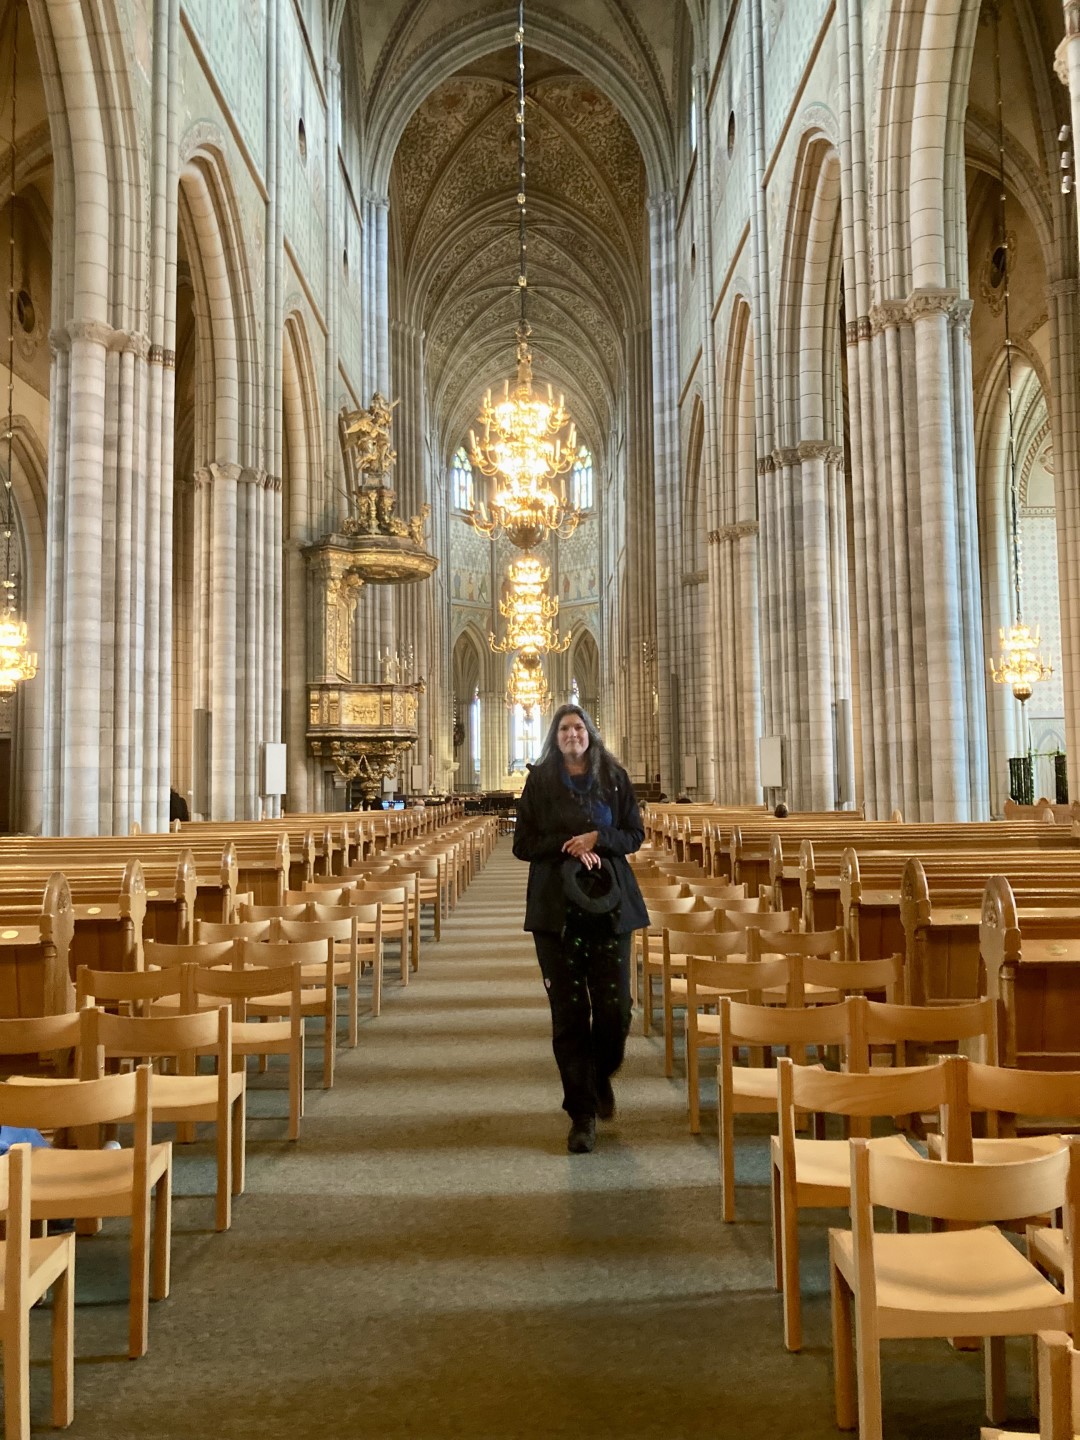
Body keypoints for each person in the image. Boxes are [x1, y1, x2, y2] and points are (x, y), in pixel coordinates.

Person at [512, 704, 649, 1154]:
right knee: (569, 1015)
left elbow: (634, 834)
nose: (573, 734)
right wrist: (569, 846)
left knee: (616, 1010)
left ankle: (598, 1073)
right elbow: (523, 844)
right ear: (555, 737)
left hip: (610, 908)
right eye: (565, 728)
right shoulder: (540, 781)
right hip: (557, 912)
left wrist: (598, 838)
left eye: (579, 727)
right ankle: (582, 1113)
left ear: (590, 732)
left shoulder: (614, 776)